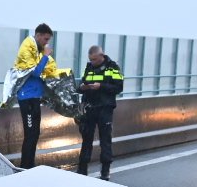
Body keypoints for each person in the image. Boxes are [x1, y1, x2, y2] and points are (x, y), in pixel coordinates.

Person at [13, 23, 66, 168]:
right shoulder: (26, 48)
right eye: (45, 39)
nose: (47, 42)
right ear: (38, 35)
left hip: (35, 96)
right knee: (30, 134)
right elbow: (35, 72)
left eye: (48, 40)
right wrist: (46, 56)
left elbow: (48, 70)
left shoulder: (38, 50)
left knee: (35, 133)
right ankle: (25, 166)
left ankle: (30, 164)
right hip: (26, 97)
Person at [77, 44, 124, 178]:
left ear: (102, 56)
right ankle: (82, 170)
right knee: (86, 139)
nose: (92, 62)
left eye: (95, 60)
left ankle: (105, 171)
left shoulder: (113, 67)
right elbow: (80, 85)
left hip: (105, 108)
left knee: (105, 140)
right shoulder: (89, 67)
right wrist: (82, 87)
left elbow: (118, 87)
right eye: (91, 59)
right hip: (89, 108)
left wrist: (101, 86)